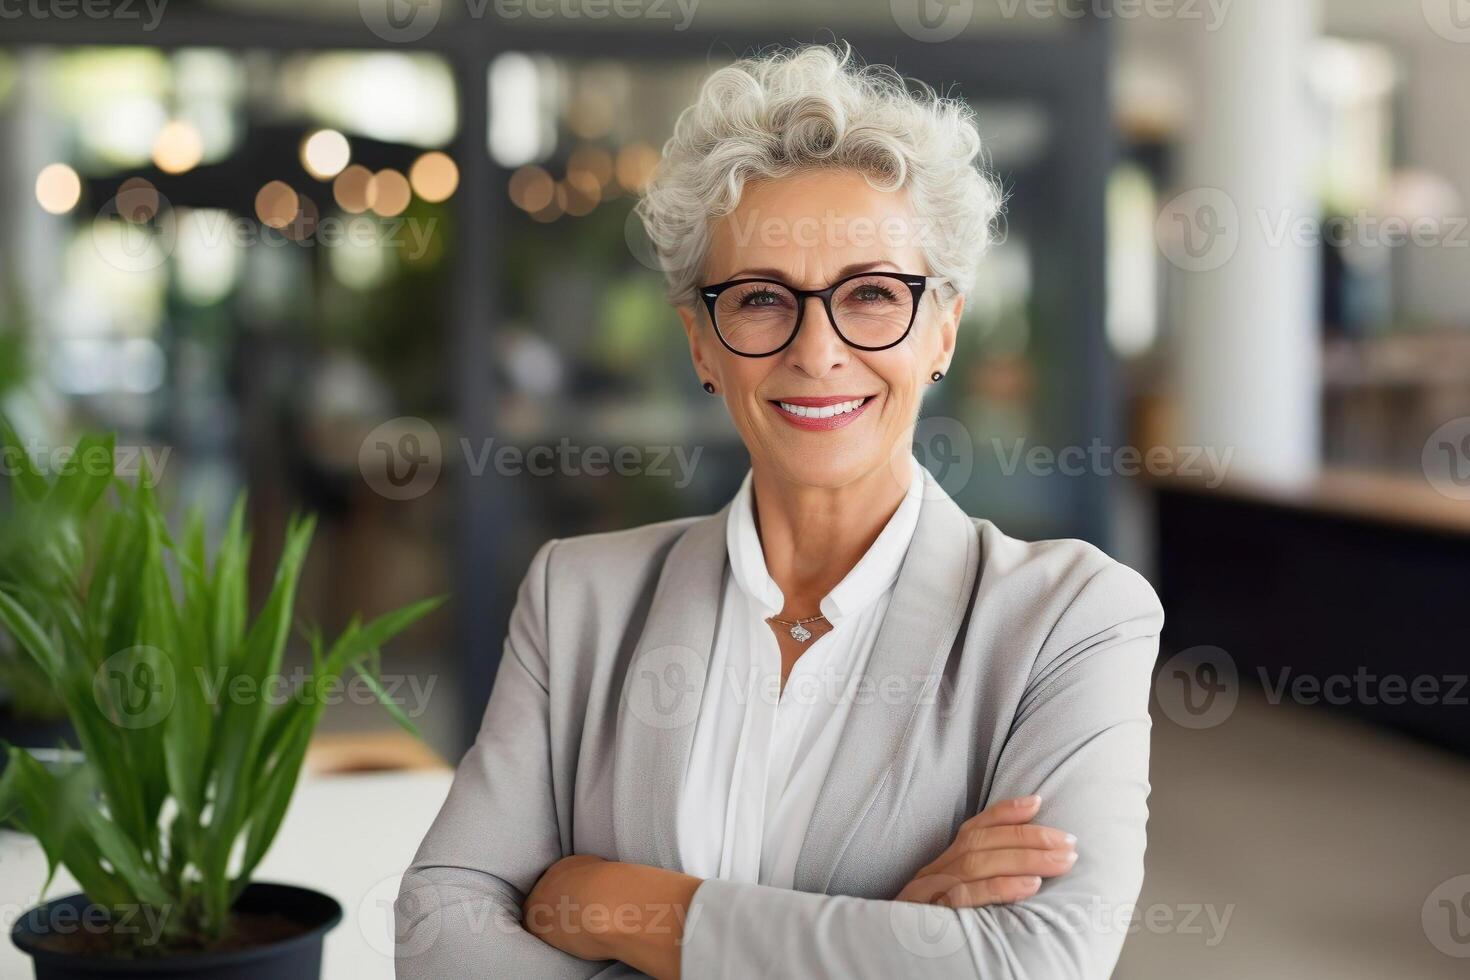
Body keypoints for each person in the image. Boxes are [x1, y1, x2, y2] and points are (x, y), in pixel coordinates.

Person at [396, 42, 1163, 979]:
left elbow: (1027, 964)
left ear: (942, 332)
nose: (817, 350)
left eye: (873, 295)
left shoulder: (1070, 619)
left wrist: (618, 906)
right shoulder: (579, 598)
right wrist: (879, 936)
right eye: (761, 300)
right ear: (700, 344)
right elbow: (440, 931)